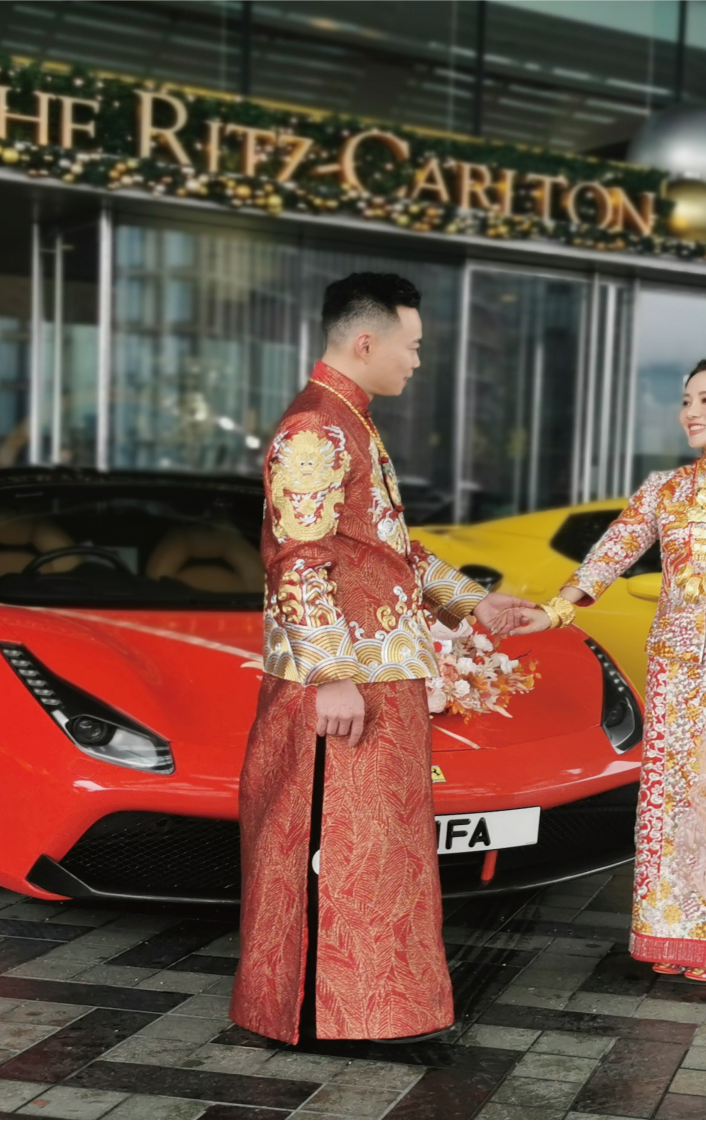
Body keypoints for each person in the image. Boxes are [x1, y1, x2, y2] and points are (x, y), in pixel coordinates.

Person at [231, 272, 536, 1044]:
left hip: (380, 678)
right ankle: (325, 1017)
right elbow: (298, 558)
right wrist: (330, 672)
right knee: (342, 851)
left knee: (381, 856)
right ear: (366, 341)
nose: (418, 360)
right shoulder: (316, 427)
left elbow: (386, 550)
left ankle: (377, 1012)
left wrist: (471, 603)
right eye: (414, 345)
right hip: (349, 683)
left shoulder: (349, 420)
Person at [515, 355, 706, 983]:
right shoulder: (664, 488)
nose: (691, 412)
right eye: (687, 400)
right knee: (675, 799)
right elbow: (611, 554)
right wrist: (556, 610)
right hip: (677, 671)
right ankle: (675, 929)